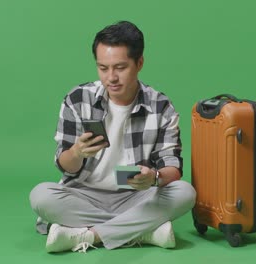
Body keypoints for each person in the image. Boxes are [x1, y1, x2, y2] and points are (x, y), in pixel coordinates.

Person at [29, 21, 196, 253]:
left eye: (120, 67)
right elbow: (64, 165)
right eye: (103, 68)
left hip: (137, 196)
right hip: (84, 194)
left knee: (185, 193)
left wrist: (154, 177)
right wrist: (76, 152)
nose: (111, 77)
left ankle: (88, 235)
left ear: (139, 63)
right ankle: (144, 230)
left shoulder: (160, 106)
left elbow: (173, 166)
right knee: (40, 196)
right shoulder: (78, 99)